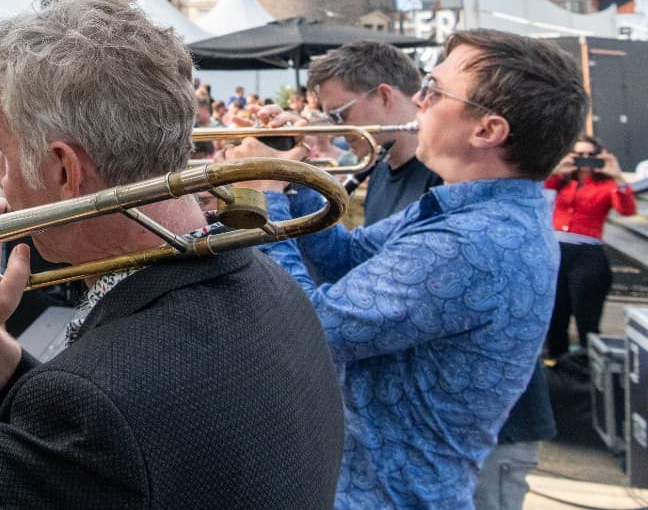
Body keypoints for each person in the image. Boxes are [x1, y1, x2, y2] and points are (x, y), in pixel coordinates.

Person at [0, 0, 342, 507]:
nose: (2, 183)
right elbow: (91, 449)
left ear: (64, 168)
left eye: (4, 152)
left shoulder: (96, 407)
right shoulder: (270, 281)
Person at [237, 30, 588, 510]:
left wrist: (267, 197)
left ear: (488, 130)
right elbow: (347, 258)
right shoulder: (464, 211)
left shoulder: (471, 242)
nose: (419, 100)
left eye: (435, 91)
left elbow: (310, 328)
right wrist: (291, 179)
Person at [306, 41, 440, 223]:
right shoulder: (377, 167)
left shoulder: (444, 178)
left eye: (339, 115)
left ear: (385, 97)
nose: (336, 132)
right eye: (332, 120)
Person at [546, 136, 636, 358]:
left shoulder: (607, 185)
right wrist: (558, 168)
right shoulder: (560, 181)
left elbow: (626, 209)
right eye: (579, 154)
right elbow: (538, 192)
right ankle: (558, 369)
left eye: (590, 155)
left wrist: (617, 175)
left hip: (587, 253)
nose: (584, 160)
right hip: (556, 252)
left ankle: (589, 370)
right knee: (555, 318)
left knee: (587, 317)